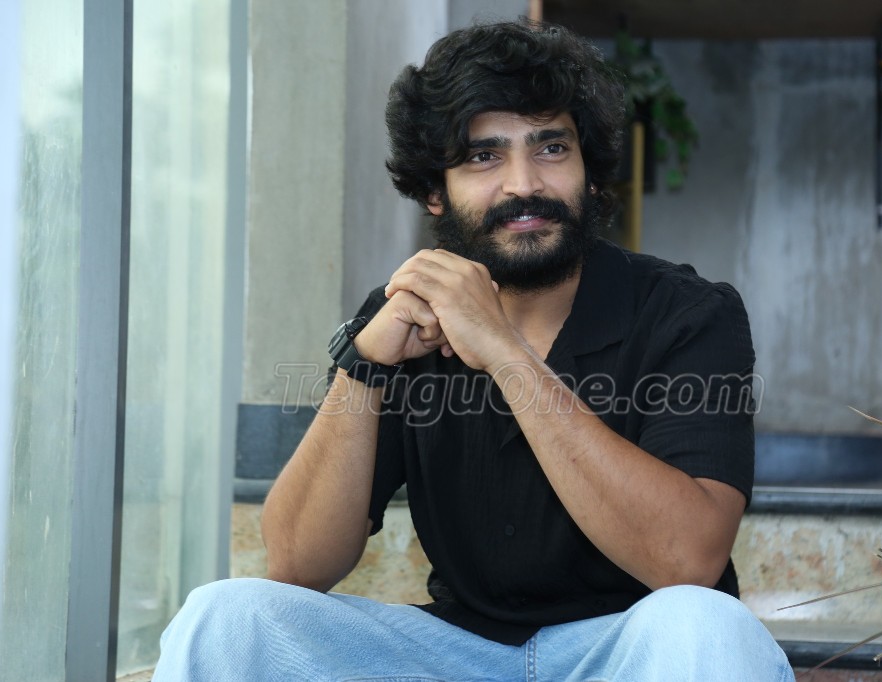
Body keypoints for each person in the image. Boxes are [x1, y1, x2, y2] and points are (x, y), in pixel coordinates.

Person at [154, 19, 794, 681]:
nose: (524, 184)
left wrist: (502, 350)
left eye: (551, 148)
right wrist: (364, 364)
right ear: (436, 192)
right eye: (484, 157)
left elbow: (688, 561)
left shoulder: (687, 313)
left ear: (591, 174)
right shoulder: (406, 313)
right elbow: (296, 564)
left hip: (629, 650)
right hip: (450, 656)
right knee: (226, 617)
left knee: (708, 625)